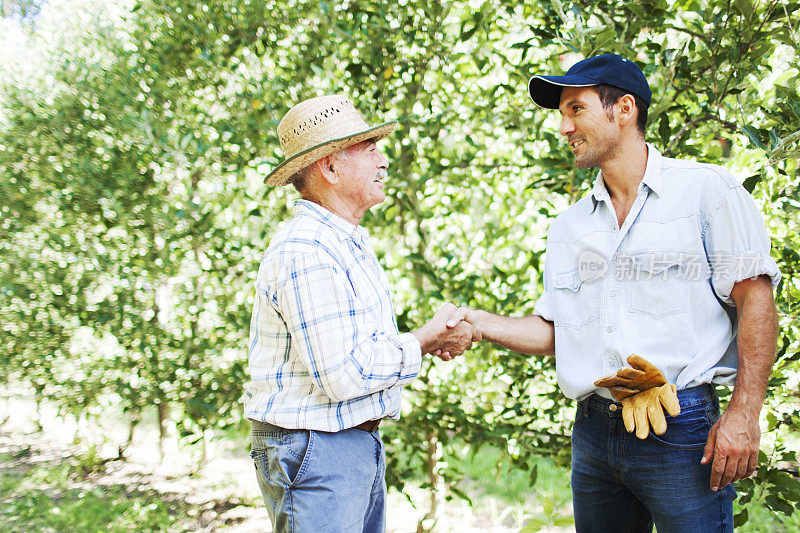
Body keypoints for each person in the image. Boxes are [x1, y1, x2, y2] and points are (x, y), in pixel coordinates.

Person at [446, 54, 780, 532]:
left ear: (623, 109)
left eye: (576, 109)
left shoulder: (707, 192)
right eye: (562, 113)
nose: (564, 127)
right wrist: (475, 323)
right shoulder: (570, 227)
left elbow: (755, 301)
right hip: (595, 434)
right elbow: (557, 332)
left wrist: (744, 415)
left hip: (682, 430)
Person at [244, 94, 479, 532]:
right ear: (329, 168)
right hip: (317, 451)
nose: (383, 161)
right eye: (370, 150)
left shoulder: (344, 241)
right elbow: (343, 375)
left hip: (342, 446)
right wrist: (426, 340)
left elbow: (359, 353)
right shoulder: (307, 249)